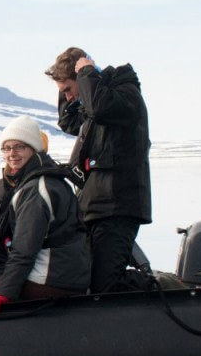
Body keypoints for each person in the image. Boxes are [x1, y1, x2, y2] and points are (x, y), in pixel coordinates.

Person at [50, 47, 151, 292]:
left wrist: (86, 73)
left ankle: (160, 288)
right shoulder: (94, 104)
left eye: (68, 90)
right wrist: (69, 89)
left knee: (106, 283)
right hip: (93, 208)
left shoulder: (123, 95)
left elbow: (99, 108)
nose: (69, 97)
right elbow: (68, 122)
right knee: (89, 279)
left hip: (118, 207)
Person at [0, 116, 91, 316]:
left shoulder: (36, 189)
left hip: (53, 279)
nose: (12, 154)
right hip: (70, 275)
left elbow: (24, 250)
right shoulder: (49, 179)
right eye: (6, 148)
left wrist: (3, 293)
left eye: (19, 147)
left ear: (34, 149)